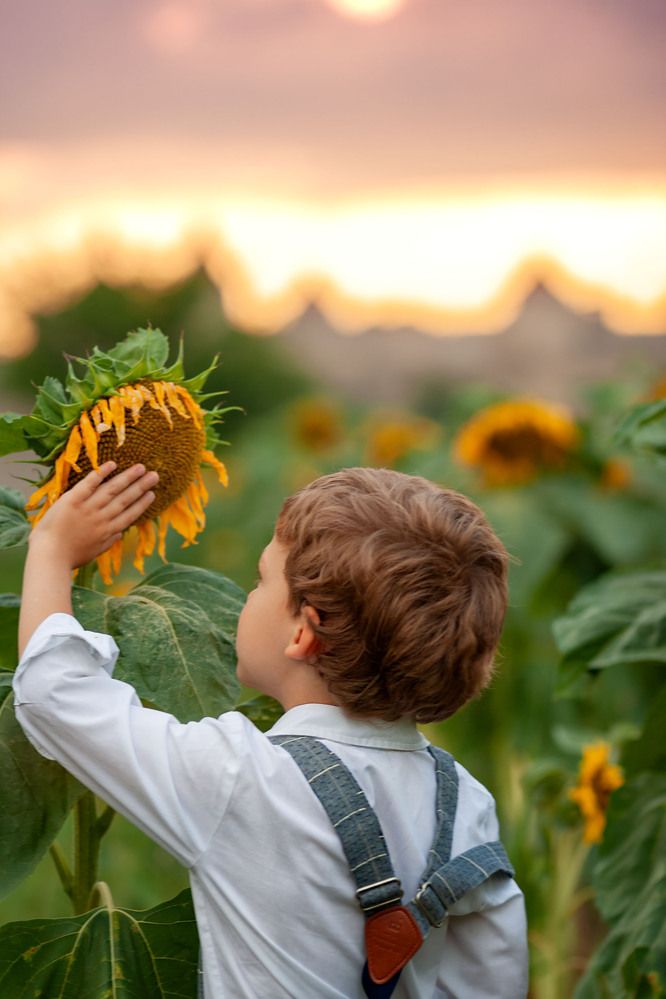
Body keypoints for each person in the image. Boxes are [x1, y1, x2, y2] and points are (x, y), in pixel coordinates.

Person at [14, 461, 528, 998]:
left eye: (261, 580)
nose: (248, 595)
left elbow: (55, 694)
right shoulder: (467, 802)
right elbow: (491, 979)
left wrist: (52, 549)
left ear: (305, 632)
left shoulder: (242, 777)